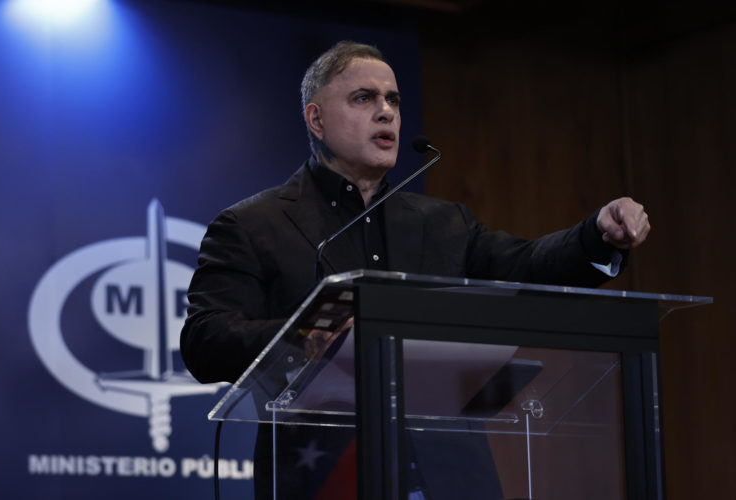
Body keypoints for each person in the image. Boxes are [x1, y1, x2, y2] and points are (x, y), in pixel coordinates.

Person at [180, 41, 650, 499]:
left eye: (393, 100)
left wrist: (595, 235)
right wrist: (304, 339)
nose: (386, 112)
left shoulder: (445, 224)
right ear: (316, 119)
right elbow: (205, 339)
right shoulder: (252, 225)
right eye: (364, 98)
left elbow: (528, 266)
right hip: (324, 477)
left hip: (451, 481)